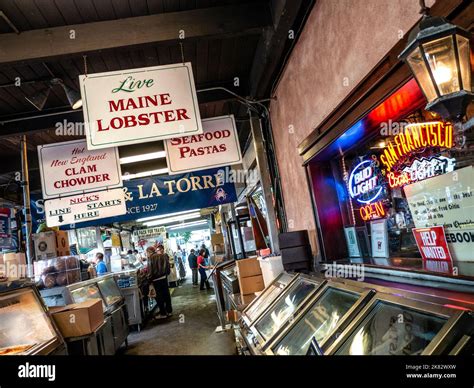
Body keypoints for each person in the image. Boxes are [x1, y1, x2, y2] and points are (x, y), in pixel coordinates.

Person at [147, 245, 173, 319]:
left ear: (149, 252)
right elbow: (168, 268)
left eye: (147, 253)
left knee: (159, 297)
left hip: (156, 280)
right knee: (166, 295)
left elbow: (150, 271)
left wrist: (149, 280)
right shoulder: (163, 256)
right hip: (164, 278)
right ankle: (169, 311)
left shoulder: (151, 258)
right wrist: (165, 275)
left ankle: (163, 313)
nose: (147, 254)